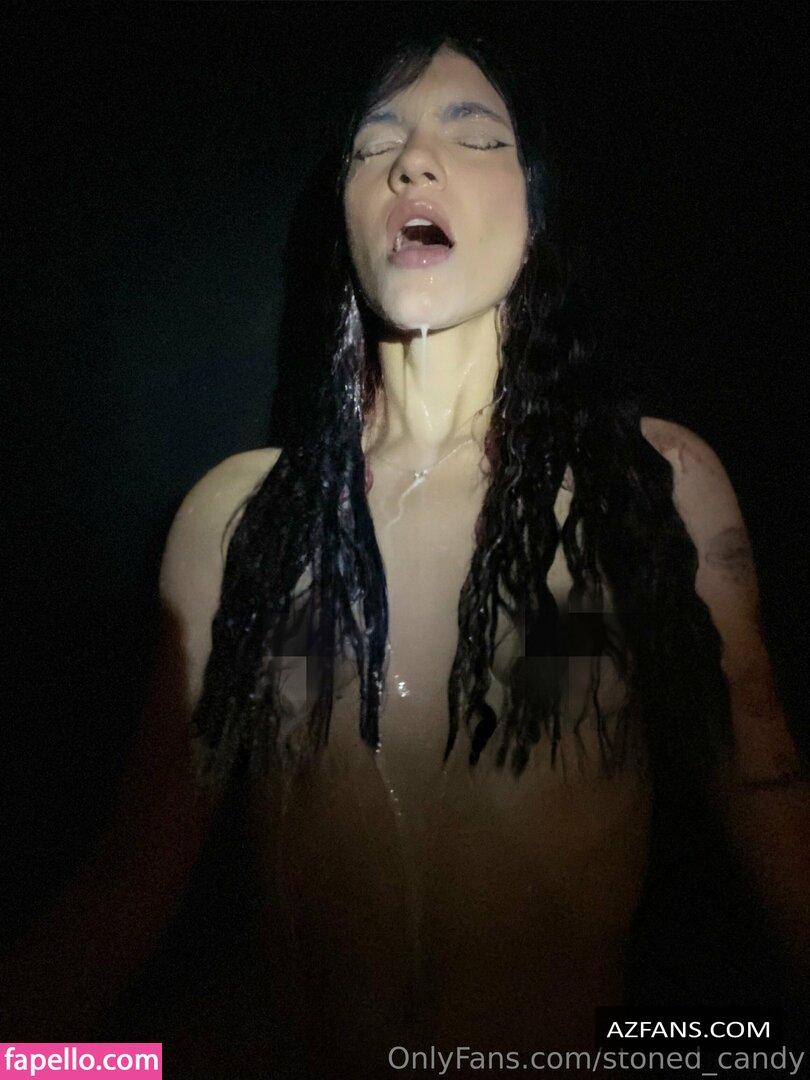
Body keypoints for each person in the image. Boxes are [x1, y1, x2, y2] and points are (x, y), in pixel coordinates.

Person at [3, 30, 807, 1080]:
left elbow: (770, 806)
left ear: (536, 208)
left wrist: (731, 1055)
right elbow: (128, 882)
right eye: (376, 144)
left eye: (473, 139)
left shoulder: (649, 485)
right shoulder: (236, 519)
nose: (413, 163)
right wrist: (43, 1062)